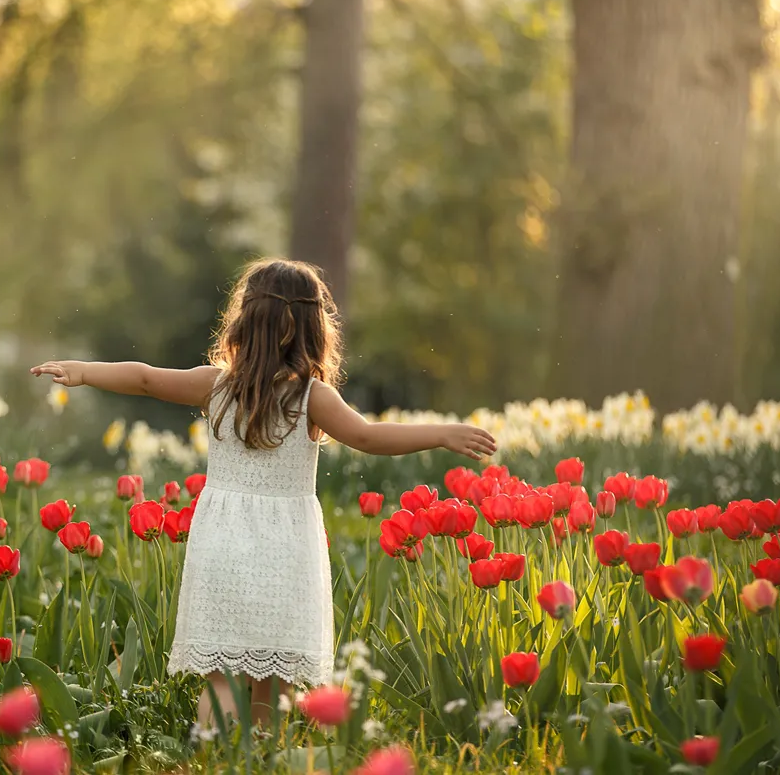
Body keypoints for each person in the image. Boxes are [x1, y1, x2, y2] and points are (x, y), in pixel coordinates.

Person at [30, 258, 496, 727]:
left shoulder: (215, 386)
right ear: (315, 329)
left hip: (222, 540)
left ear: (244, 321)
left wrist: (84, 370)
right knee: (275, 680)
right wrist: (441, 433)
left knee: (220, 677)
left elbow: (147, 378)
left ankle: (215, 757)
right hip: (286, 548)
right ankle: (261, 760)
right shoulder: (313, 397)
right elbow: (369, 438)